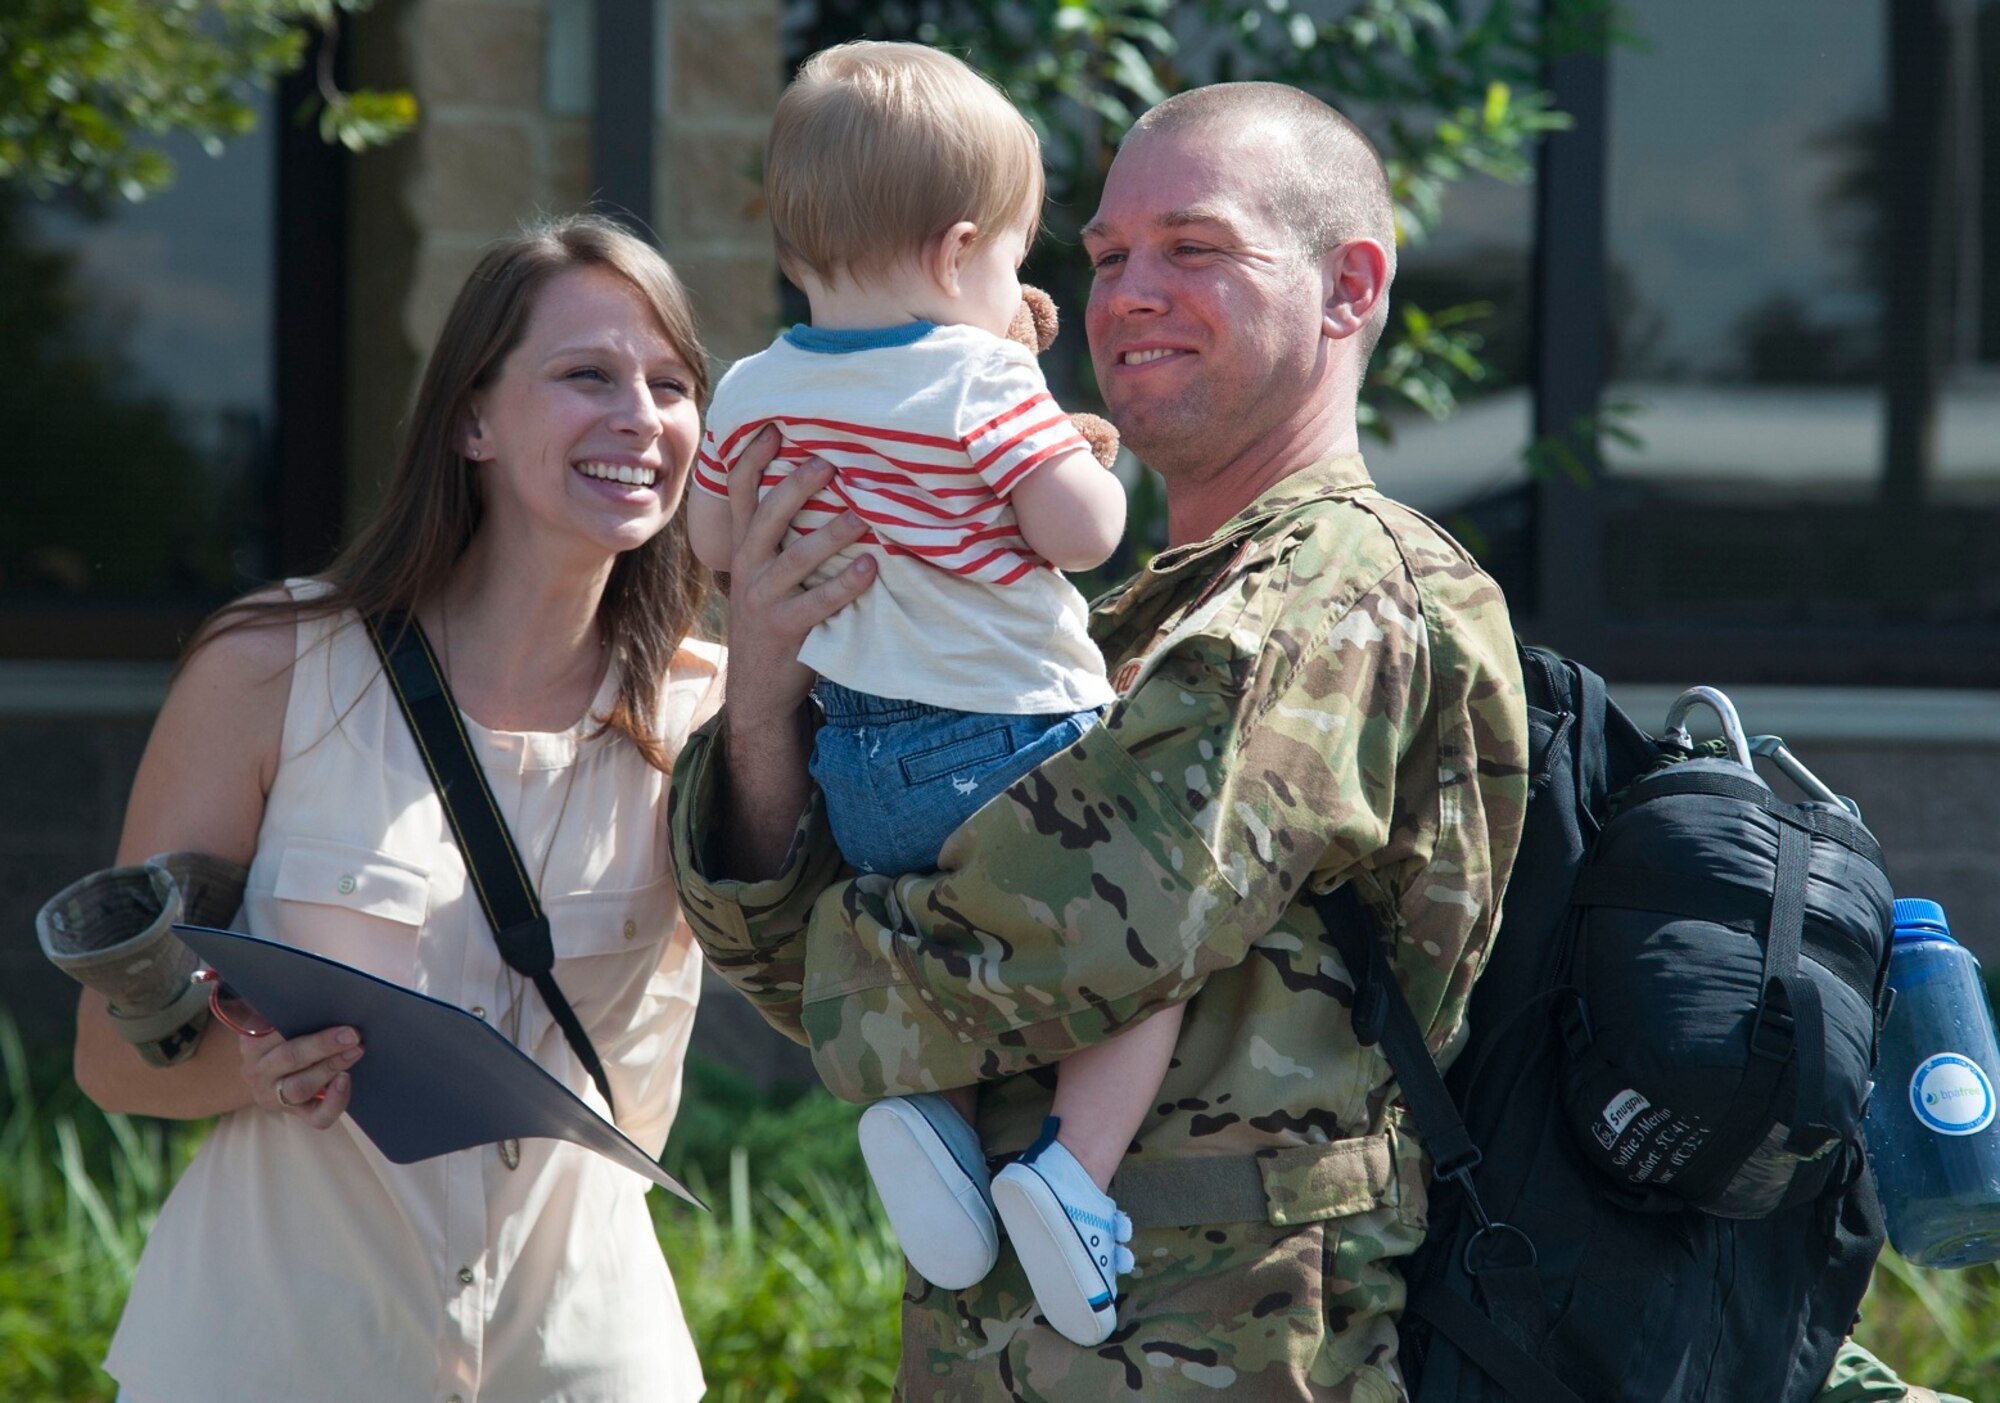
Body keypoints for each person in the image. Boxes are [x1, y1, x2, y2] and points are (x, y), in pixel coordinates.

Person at [670, 79, 1530, 1397]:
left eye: (1194, 248)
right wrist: (771, 687)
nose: (1126, 291)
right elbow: (789, 964)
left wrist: (861, 972)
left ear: (1349, 288)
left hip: (1228, 1348)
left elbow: (1096, 922)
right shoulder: (1063, 618)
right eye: (1108, 253)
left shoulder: (1346, 586)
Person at [67, 213, 720, 1403]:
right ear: (472, 418)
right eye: (587, 374)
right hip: (271, 1355)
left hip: (582, 1360)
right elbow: (117, 1054)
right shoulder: (271, 668)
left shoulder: (715, 718)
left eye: (672, 384)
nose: (641, 415)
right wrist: (248, 1071)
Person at [682, 40, 1171, 1347]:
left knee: (929, 941)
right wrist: (1058, 429)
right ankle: (1073, 1173)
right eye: (1018, 259)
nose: (1022, 288)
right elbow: (1086, 530)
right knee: (1152, 951)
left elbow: (716, 547)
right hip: (1024, 736)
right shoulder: (978, 376)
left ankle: (934, 1123)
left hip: (863, 763)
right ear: (962, 252)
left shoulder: (754, 387)